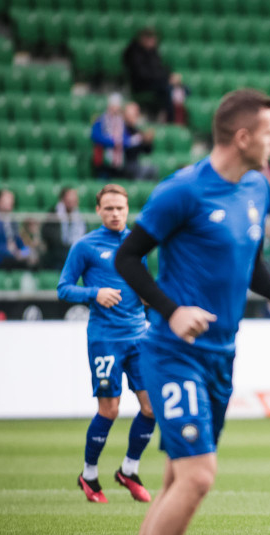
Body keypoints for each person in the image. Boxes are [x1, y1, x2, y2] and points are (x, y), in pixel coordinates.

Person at [108, 89, 270, 535]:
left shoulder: (256, 187)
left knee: (180, 476)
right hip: (173, 353)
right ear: (242, 136)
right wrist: (171, 311)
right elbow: (127, 257)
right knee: (199, 477)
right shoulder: (183, 190)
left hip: (223, 354)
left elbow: (247, 259)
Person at [57, 184, 155, 505]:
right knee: (109, 410)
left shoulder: (136, 244)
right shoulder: (85, 247)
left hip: (139, 335)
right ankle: (89, 475)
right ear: (98, 211)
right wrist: (94, 294)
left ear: (128, 211)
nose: (115, 214)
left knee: (151, 407)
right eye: (109, 208)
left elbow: (143, 284)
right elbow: (63, 289)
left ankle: (129, 469)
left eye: (121, 209)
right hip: (105, 339)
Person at [122, 27, 186, 124]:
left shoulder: (153, 52)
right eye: (150, 38)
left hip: (157, 83)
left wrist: (170, 76)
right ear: (143, 39)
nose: (153, 41)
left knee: (184, 89)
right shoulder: (134, 53)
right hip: (143, 86)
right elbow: (143, 75)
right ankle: (171, 121)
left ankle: (179, 119)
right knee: (168, 89)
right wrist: (166, 79)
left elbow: (160, 69)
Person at [0, 189, 37, 270]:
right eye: (7, 200)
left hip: (13, 256)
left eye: (11, 200)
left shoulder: (12, 220)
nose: (10, 202)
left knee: (34, 259)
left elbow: (18, 240)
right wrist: (11, 253)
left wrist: (26, 251)